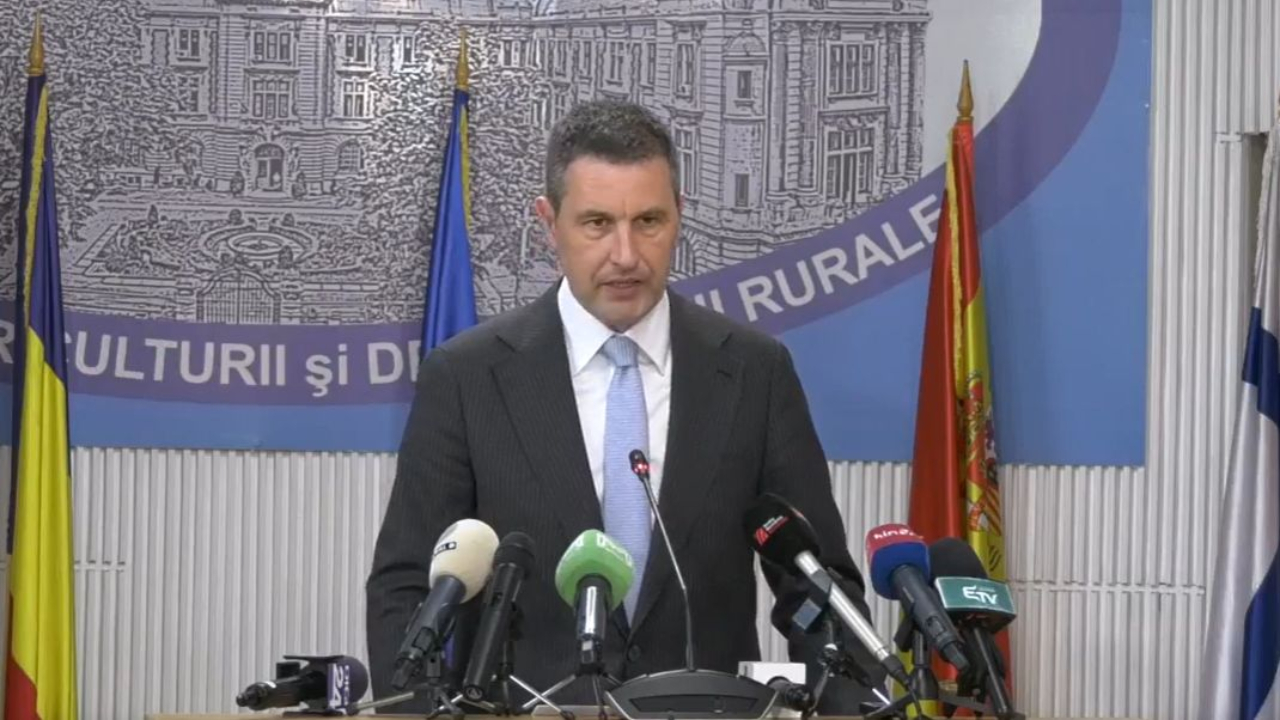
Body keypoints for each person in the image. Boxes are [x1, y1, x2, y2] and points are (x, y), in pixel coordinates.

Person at [366, 99, 885, 712]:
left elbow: (817, 585)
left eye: (648, 221)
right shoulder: (467, 376)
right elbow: (407, 587)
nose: (626, 255)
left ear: (679, 216)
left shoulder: (754, 372)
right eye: (596, 223)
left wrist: (843, 705)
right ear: (549, 223)